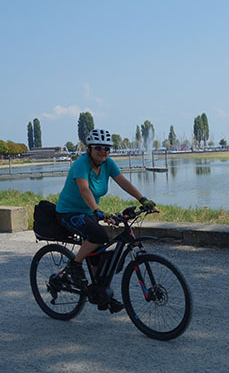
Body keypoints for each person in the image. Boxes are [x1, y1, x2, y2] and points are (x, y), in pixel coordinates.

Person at [56, 128, 157, 312]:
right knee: (99, 235)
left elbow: (124, 182)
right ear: (89, 148)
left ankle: (100, 292)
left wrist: (143, 200)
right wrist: (98, 211)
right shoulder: (81, 164)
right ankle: (74, 265)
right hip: (69, 212)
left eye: (107, 148)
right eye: (99, 148)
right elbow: (84, 190)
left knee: (99, 253)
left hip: (88, 212)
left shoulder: (108, 163)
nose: (103, 151)